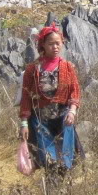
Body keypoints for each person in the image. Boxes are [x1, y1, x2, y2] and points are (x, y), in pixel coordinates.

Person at [19, 24, 83, 175]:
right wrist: (23, 123)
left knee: (66, 159)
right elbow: (26, 97)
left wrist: (72, 112)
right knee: (49, 160)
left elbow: (75, 92)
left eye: (58, 43)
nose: (55, 47)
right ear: (43, 45)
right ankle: (52, 191)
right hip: (40, 120)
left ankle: (65, 188)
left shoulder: (68, 67)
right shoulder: (32, 70)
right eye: (51, 43)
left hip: (63, 119)